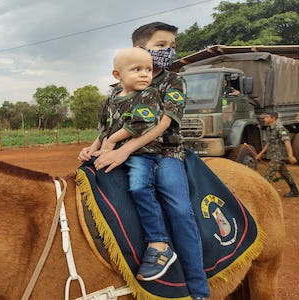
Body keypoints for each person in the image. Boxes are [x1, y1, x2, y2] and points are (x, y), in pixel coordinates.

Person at [79, 22, 209, 300]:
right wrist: (93, 147)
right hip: (120, 150)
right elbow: (109, 125)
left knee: (179, 209)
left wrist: (124, 150)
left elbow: (162, 124)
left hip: (164, 153)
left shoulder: (173, 81)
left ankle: (198, 288)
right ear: (139, 49)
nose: (169, 51)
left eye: (172, 46)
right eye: (161, 46)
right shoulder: (118, 88)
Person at [256, 111, 299, 197]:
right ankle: (295, 191)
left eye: (267, 117)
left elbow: (287, 142)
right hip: (274, 155)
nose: (264, 119)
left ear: (273, 118)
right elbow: (269, 143)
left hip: (279, 156)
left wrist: (290, 155)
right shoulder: (269, 129)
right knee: (285, 173)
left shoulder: (280, 129)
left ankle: (261, 194)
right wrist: (260, 154)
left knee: (268, 174)